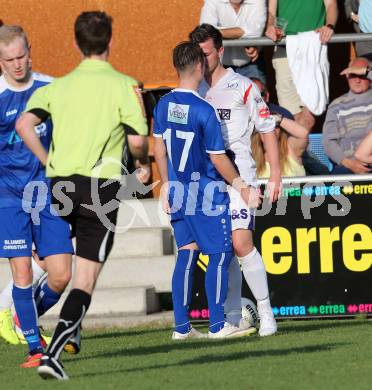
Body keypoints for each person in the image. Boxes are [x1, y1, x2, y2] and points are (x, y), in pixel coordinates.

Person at [16, 11, 149, 380]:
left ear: (76, 43)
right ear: (111, 40)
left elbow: (24, 123)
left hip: (59, 186)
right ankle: (53, 355)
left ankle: (41, 319)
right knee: (84, 280)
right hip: (99, 190)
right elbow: (138, 141)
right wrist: (143, 165)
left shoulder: (58, 87)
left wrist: (47, 160)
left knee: (60, 268)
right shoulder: (124, 84)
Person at [153, 41, 260, 340]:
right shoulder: (204, 110)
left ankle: (181, 328)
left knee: (186, 254)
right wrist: (241, 185)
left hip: (178, 190)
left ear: (177, 67)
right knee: (220, 253)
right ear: (200, 67)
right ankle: (217, 325)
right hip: (206, 194)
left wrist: (165, 184)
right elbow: (217, 157)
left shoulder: (163, 104)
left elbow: (158, 147)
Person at [189, 24, 281, 337]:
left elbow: (267, 129)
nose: (201, 61)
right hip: (207, 182)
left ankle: (267, 313)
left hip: (240, 177)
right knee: (221, 249)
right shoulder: (194, 91)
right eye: (196, 55)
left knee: (242, 244)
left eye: (205, 54)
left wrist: (276, 173)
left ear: (220, 51)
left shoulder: (242, 86)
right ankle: (232, 315)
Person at [0, 25, 74, 368]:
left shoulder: (50, 89)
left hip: (48, 194)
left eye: (21, 57)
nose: (17, 65)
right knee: (22, 273)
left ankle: (24, 316)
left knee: (61, 273)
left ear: (30, 52)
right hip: (9, 196)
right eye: (9, 60)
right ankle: (34, 348)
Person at [265, 0, 338, 130]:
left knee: (309, 118)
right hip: (284, 49)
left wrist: (329, 25)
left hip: (314, 50)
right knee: (289, 118)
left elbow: (331, 5)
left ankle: (294, 150)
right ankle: (294, 150)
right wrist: (270, 26)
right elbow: (271, 12)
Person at [250, 78, 310, 178]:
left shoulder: (290, 150)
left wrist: (276, 119)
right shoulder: (252, 156)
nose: (270, 130)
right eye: (264, 127)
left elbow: (303, 134)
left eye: (274, 126)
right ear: (258, 134)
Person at [323, 57, 372, 174]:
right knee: (336, 181)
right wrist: (349, 163)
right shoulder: (336, 105)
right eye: (353, 75)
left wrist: (368, 71)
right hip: (348, 165)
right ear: (347, 76)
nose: (357, 80)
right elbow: (329, 142)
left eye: (362, 75)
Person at [200, 0, 267, 82]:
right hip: (219, 67)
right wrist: (245, 36)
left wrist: (216, 32)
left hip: (252, 64)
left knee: (257, 94)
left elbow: (255, 31)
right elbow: (206, 31)